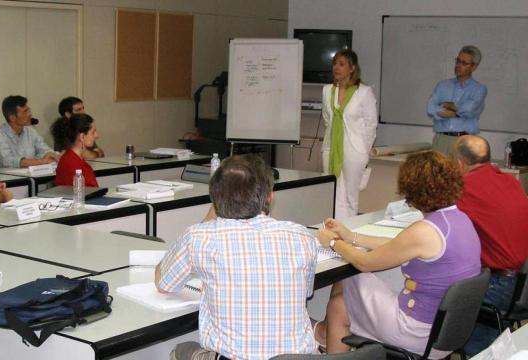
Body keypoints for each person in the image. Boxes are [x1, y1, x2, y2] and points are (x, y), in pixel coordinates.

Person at [316, 151, 481, 358]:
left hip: (418, 333)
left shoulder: (425, 231)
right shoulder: (459, 219)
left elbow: (365, 263)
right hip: (448, 332)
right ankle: (327, 334)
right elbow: (397, 246)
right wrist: (352, 237)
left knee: (345, 286)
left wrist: (333, 242)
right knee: (342, 300)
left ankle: (325, 334)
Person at [156, 154, 318, 360]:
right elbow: (306, 291)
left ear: (214, 200)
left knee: (181, 351)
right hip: (299, 359)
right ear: (269, 197)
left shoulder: (200, 238)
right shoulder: (302, 236)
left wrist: (209, 218)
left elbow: (164, 284)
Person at [453, 135, 528, 356]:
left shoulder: (465, 188)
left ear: (459, 163)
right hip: (522, 284)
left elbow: (443, 229)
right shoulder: (509, 181)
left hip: (498, 285)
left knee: (439, 294)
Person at [321, 50, 378, 219]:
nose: (336, 68)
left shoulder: (364, 92)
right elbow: (327, 118)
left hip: (355, 150)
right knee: (332, 191)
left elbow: (371, 124)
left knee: (350, 196)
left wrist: (363, 150)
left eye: (341, 64)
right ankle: (333, 229)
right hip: (330, 148)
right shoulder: (327, 90)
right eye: (334, 64)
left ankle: (349, 231)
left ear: (352, 68)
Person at [427, 45, 487, 155]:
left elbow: (469, 110)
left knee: (462, 173)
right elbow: (431, 108)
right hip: (441, 140)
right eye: (458, 61)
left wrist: (449, 108)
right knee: (438, 172)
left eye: (464, 63)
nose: (458, 65)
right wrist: (456, 112)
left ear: (474, 67)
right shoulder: (443, 85)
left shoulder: (479, 89)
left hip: (465, 141)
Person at [0, 95, 60, 168]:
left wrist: (51, 154)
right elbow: (8, 161)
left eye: (28, 110)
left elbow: (44, 149)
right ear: (12, 118)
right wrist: (40, 162)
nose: (30, 114)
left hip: (29, 176)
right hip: (5, 178)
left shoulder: (30, 130)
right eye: (25, 112)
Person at [54, 113, 99, 187]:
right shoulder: (72, 163)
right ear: (82, 137)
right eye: (93, 132)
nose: (97, 136)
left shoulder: (71, 158)